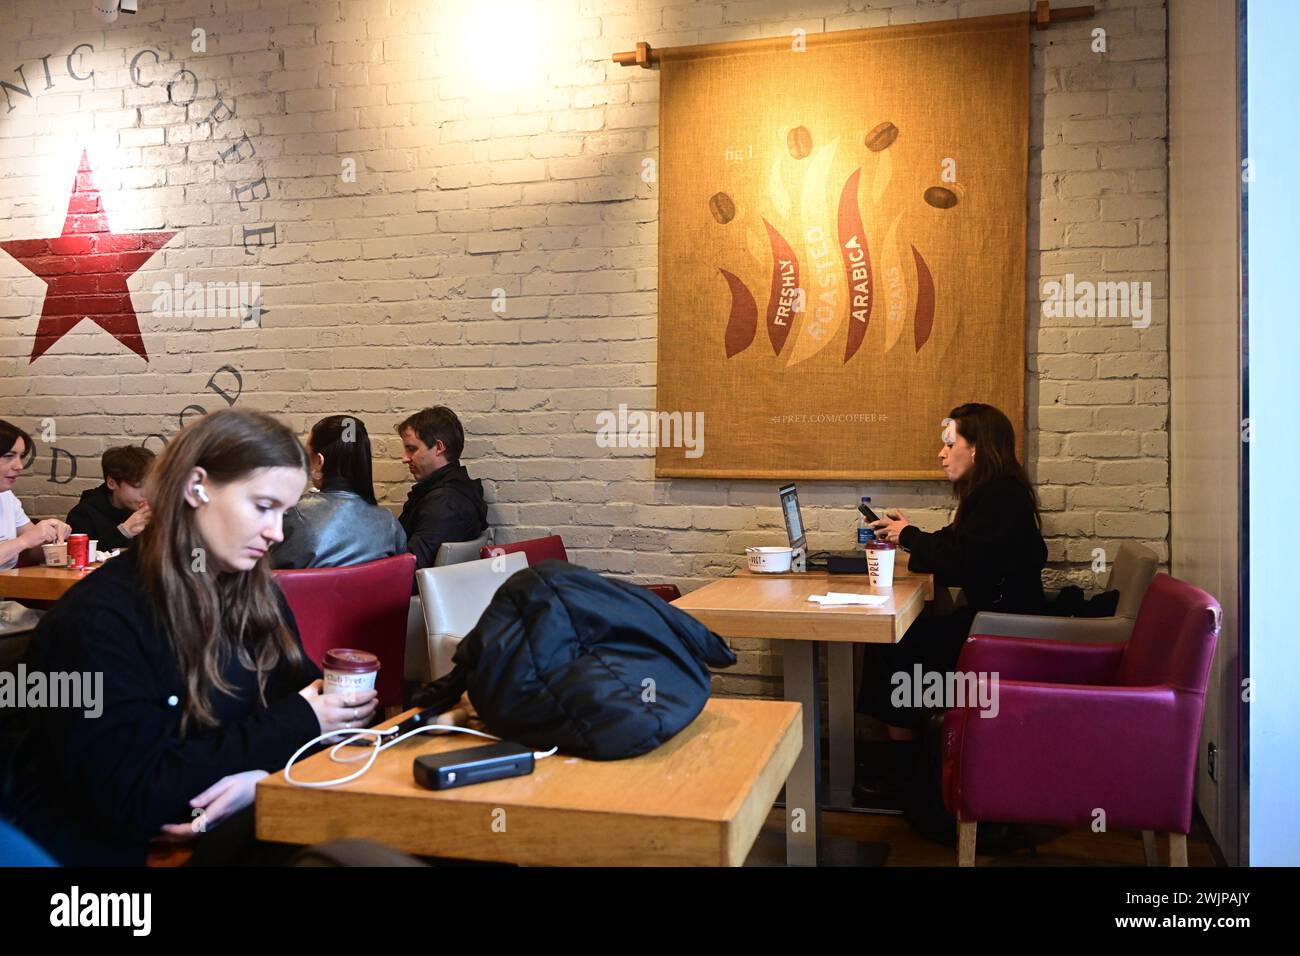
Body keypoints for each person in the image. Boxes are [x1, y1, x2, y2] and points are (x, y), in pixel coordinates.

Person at [0, 409, 378, 865]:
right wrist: (297, 727)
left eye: (284, 511)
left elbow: (316, 717)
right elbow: (135, 800)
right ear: (196, 487)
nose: (276, 532)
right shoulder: (98, 620)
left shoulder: (253, 596)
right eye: (263, 506)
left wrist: (261, 776)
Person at [855, 403, 1047, 801]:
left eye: (949, 443)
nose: (941, 454)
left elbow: (962, 563)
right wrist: (907, 533)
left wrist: (909, 536)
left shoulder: (999, 497)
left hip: (1001, 637)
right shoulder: (997, 493)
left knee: (895, 645)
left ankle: (903, 775)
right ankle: (904, 763)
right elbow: (959, 545)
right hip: (996, 625)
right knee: (901, 641)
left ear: (976, 448)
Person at [270, 415, 407, 569]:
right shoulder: (390, 523)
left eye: (308, 457)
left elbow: (261, 577)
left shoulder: (292, 515)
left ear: (319, 461)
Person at [395, 406, 488, 570]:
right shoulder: (458, 489)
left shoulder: (444, 502)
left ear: (439, 447)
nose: (404, 458)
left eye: (412, 449)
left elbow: (410, 571)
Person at [0, 420, 71, 572]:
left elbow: (33, 548)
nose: (19, 466)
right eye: (9, 456)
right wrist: (24, 541)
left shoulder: (6, 497)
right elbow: (26, 540)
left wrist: (52, 536)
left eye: (21, 456)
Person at [65, 445, 155, 551]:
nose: (146, 493)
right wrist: (124, 531)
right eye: (138, 485)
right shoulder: (82, 515)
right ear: (112, 483)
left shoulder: (148, 511)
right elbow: (78, 556)